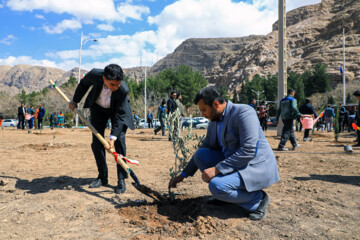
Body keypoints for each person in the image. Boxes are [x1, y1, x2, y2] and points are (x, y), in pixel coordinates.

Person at [169, 86, 280, 221]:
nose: (203, 114)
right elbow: (205, 146)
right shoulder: (215, 121)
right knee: (201, 155)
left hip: (254, 166)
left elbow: (248, 150)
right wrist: (183, 175)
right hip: (234, 163)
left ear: (216, 104)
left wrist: (217, 169)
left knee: (217, 186)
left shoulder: (244, 112)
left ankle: (257, 200)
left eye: (204, 110)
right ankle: (228, 197)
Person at [69, 64, 135, 194]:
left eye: (118, 84)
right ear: (104, 78)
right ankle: (102, 177)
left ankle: (121, 179)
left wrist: (112, 138)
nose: (116, 88)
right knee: (97, 142)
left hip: (117, 112)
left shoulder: (122, 90)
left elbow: (119, 116)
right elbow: (83, 85)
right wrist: (75, 101)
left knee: (120, 141)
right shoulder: (94, 74)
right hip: (98, 109)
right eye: (112, 85)